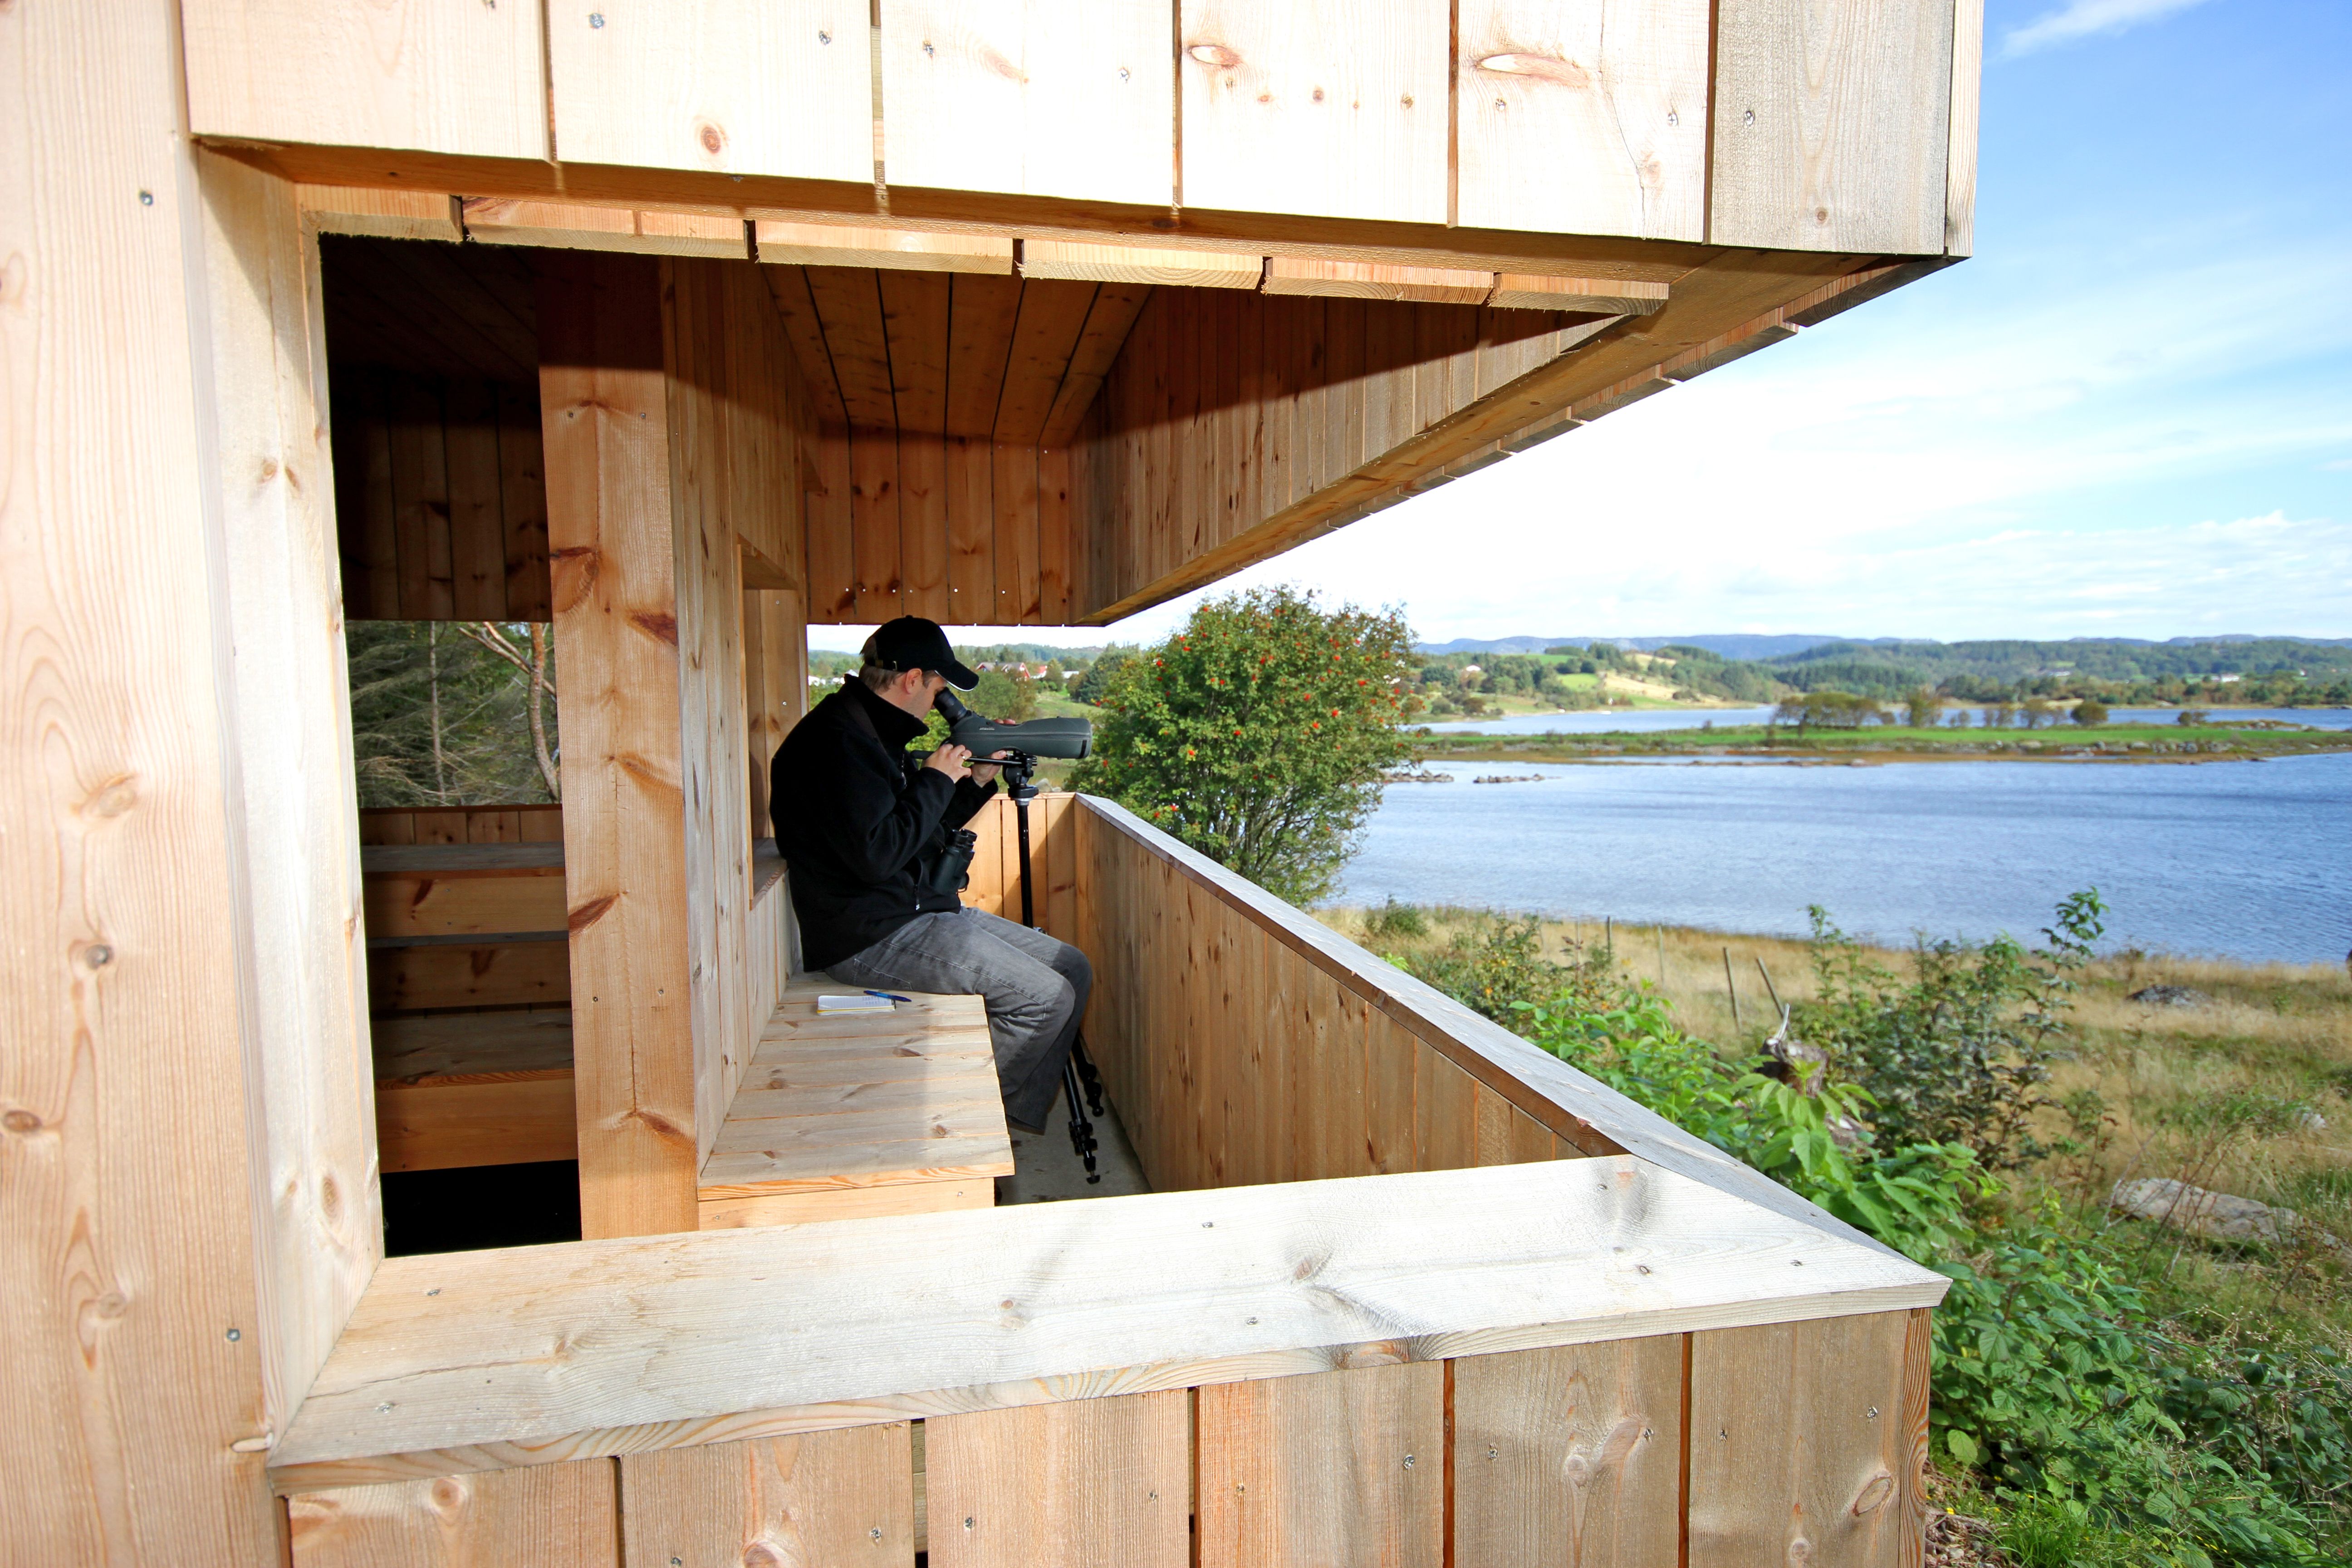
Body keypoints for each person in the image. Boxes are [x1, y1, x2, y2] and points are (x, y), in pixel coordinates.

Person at [770, 616, 1092, 1133]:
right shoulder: (834, 746)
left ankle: (1007, 1119)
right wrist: (933, 780)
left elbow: (915, 832)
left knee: (1072, 967)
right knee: (1044, 997)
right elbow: (876, 856)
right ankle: (970, 1133)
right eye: (940, 687)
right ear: (912, 679)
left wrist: (973, 782)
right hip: (868, 933)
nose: (939, 701)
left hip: (913, 909)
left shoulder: (869, 731)